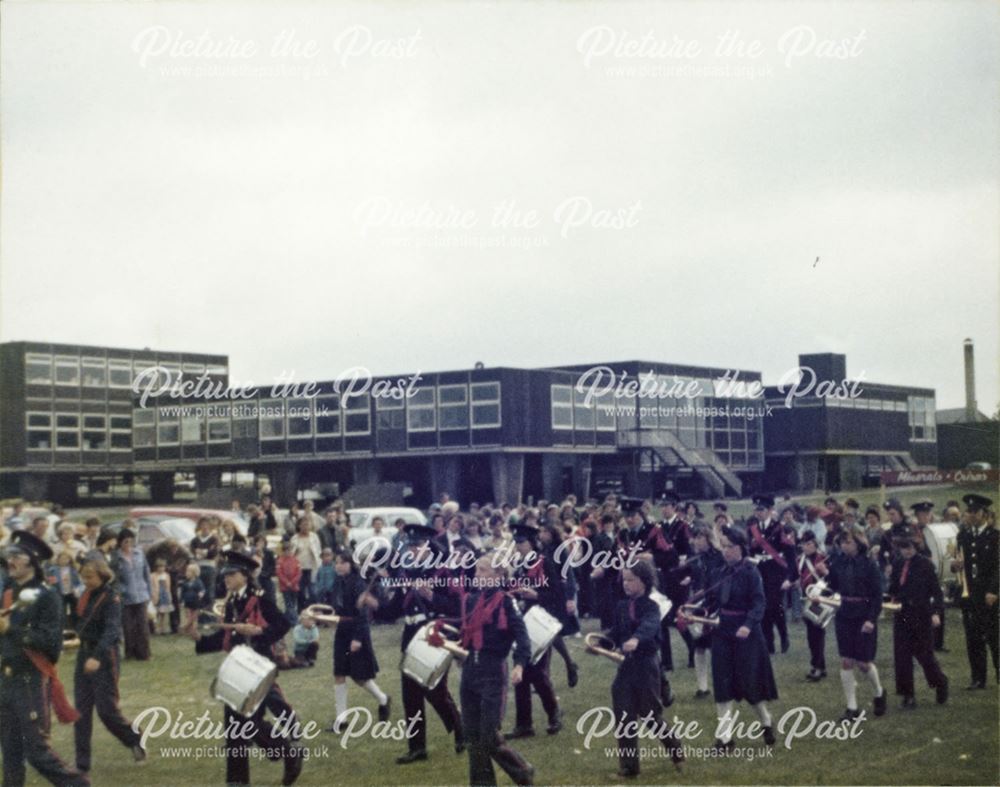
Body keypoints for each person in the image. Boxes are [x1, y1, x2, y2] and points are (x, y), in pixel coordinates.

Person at [190, 550, 304, 786]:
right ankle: (238, 781)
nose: (226, 579)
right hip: (239, 667)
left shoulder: (260, 597)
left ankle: (286, 751)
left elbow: (283, 623)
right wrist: (198, 639)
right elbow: (227, 634)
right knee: (234, 726)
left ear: (244, 575)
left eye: (231, 575)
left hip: (258, 667)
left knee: (248, 724)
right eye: (225, 575)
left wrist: (261, 631)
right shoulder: (232, 600)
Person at [0, 530, 89, 786]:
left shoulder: (48, 596)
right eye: (9, 556)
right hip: (6, 679)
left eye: (16, 556)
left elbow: (51, 644)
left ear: (32, 560)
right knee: (10, 754)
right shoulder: (8, 592)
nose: (10, 561)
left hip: (30, 679)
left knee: (38, 753)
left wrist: (10, 630)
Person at [381, 523, 464, 764]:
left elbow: (458, 607)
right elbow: (395, 608)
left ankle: (460, 729)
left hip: (433, 633)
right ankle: (417, 747)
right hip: (411, 634)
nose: (412, 551)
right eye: (410, 546)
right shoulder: (405, 573)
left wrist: (433, 597)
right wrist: (375, 606)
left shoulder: (444, 572)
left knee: (435, 691)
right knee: (410, 694)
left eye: (417, 546)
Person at [691, 526, 778, 749]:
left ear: (741, 548)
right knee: (722, 683)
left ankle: (766, 721)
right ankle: (725, 738)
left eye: (730, 547)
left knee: (749, 684)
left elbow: (759, 603)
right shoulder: (718, 573)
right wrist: (697, 615)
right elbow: (711, 602)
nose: (726, 551)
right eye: (723, 546)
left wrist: (748, 625)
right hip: (722, 631)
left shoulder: (751, 572)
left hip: (746, 634)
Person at [458, 553, 534, 786]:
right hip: (471, 669)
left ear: (498, 575)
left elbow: (523, 638)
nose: (477, 575)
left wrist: (519, 665)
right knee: (473, 736)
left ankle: (522, 770)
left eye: (482, 571)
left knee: (489, 735)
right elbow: (466, 632)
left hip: (493, 671)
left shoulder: (506, 602)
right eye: (477, 570)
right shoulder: (471, 600)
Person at [607, 560, 684, 777]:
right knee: (623, 715)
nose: (626, 584)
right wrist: (600, 642)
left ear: (644, 581)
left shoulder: (652, 606)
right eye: (624, 579)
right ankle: (629, 768)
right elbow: (615, 632)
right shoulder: (622, 606)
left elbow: (649, 625)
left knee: (650, 716)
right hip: (626, 669)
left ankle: (675, 749)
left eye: (631, 579)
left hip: (646, 666)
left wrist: (636, 639)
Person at [73, 558, 145, 774]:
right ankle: (81, 764)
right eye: (84, 577)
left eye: (90, 577)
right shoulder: (85, 595)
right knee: (81, 713)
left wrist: (97, 656)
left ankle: (134, 738)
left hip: (104, 657)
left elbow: (112, 630)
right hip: (83, 654)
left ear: (102, 575)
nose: (86, 581)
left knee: (107, 710)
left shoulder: (111, 597)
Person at [816, 527, 887, 721]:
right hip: (845, 614)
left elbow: (877, 596)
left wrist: (871, 620)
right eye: (842, 542)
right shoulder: (839, 562)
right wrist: (823, 583)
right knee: (846, 660)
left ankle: (879, 692)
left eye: (848, 542)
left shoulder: (869, 564)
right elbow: (833, 587)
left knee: (864, 664)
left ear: (858, 543)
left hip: (864, 615)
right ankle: (852, 708)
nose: (844, 545)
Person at [322, 549, 390, 732]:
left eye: (342, 562)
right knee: (339, 673)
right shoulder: (338, 581)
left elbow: (363, 614)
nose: (338, 566)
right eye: (336, 562)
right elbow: (337, 606)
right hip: (342, 632)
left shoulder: (358, 583)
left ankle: (383, 699)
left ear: (350, 565)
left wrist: (358, 639)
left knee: (359, 676)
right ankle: (341, 720)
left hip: (357, 632)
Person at [507, 523, 564, 739]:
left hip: (539, 621)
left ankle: (554, 714)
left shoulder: (544, 563)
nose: (518, 546)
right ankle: (524, 724)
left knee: (538, 673)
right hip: (521, 622)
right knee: (521, 672)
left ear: (532, 543)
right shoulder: (518, 565)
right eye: (516, 543)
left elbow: (557, 593)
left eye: (522, 542)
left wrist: (537, 595)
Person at [888, 536, 948, 708]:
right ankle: (908, 695)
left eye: (910, 547)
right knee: (902, 656)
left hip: (921, 614)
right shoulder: (898, 563)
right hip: (902, 614)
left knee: (924, 654)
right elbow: (894, 588)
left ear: (916, 547)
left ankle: (940, 682)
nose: (907, 551)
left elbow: (937, 592)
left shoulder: (925, 565)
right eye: (903, 547)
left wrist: (936, 612)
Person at [951, 493, 998, 689]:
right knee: (973, 637)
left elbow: (998, 567)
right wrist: (956, 565)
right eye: (968, 511)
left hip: (988, 594)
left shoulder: (994, 536)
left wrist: (994, 591)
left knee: (994, 636)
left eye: (974, 511)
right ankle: (978, 677)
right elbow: (959, 563)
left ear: (983, 513)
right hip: (970, 594)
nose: (970, 515)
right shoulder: (963, 536)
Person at [746, 495, 797, 655]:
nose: (758, 512)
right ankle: (769, 643)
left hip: (777, 571)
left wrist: (791, 577)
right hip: (759, 570)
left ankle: (783, 635)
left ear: (770, 510)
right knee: (763, 607)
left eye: (761, 509)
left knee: (775, 606)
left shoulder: (782, 529)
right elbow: (750, 550)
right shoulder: (752, 529)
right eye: (756, 509)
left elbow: (790, 555)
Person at [683, 523, 725, 698]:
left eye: (700, 537)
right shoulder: (697, 558)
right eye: (695, 537)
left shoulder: (720, 557)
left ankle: (722, 686)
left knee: (717, 648)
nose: (696, 541)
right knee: (699, 645)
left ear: (708, 539)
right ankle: (703, 687)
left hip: (716, 605)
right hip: (702, 604)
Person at [116, 529, 152, 660]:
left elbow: (146, 573)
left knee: (143, 626)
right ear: (120, 542)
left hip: (141, 594)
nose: (128, 544)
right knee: (128, 627)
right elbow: (115, 578)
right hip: (126, 597)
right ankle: (130, 653)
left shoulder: (139, 553)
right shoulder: (116, 557)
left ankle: (144, 653)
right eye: (125, 541)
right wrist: (121, 591)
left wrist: (149, 592)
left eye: (131, 541)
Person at [798, 531, 829, 682]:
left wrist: (825, 571)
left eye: (809, 543)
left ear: (815, 544)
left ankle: (818, 667)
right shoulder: (801, 559)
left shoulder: (823, 558)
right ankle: (819, 666)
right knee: (811, 635)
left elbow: (831, 579)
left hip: (819, 600)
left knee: (817, 635)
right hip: (806, 599)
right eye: (804, 544)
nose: (806, 546)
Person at [290, 518, 322, 611]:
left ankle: (313, 611)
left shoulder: (314, 537)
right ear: (299, 526)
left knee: (313, 592)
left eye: (307, 524)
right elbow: (291, 554)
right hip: (299, 569)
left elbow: (319, 550)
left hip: (312, 567)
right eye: (303, 525)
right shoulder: (295, 538)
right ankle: (301, 612)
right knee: (300, 592)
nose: (306, 527)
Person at [47, 550, 83, 630]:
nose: (64, 560)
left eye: (66, 559)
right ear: (58, 559)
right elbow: (51, 584)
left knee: (75, 610)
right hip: (60, 593)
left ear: (69, 560)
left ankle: (74, 627)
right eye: (62, 558)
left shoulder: (73, 570)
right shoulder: (52, 570)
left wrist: (77, 590)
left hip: (72, 593)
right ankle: (62, 627)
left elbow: (79, 582)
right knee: (61, 611)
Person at [190, 517, 220, 607]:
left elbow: (214, 553)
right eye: (202, 524)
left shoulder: (214, 539)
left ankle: (209, 613)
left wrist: (203, 552)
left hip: (209, 567)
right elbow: (193, 551)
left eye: (207, 524)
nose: (204, 526)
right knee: (199, 590)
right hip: (198, 567)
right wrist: (203, 551)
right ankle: (200, 613)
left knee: (209, 591)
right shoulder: (195, 540)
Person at [179, 562, 205, 633]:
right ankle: (188, 629)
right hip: (187, 602)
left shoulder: (198, 582)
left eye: (188, 571)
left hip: (195, 602)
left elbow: (202, 589)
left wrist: (201, 593)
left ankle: (192, 630)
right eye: (186, 571)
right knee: (188, 616)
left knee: (194, 617)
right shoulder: (185, 583)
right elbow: (182, 593)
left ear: (194, 573)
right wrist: (181, 600)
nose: (186, 573)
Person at [151, 559, 174, 635]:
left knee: (163, 612)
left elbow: (168, 586)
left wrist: (169, 594)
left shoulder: (167, 575)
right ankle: (155, 627)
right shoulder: (153, 575)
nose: (161, 569)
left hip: (164, 594)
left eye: (163, 567)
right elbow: (151, 586)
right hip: (156, 594)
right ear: (156, 567)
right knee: (155, 612)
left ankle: (162, 627)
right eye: (159, 567)